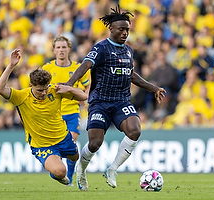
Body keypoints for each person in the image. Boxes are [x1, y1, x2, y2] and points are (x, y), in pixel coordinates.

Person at [65, 5, 166, 191]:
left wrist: (153, 88)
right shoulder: (101, 48)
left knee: (135, 130)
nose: (125, 32)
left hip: (121, 102)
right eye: (121, 29)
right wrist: (70, 84)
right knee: (95, 143)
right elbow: (85, 65)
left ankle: (112, 169)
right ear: (111, 29)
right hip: (100, 102)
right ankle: (81, 169)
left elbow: (131, 75)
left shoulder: (128, 50)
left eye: (127, 29)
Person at [0, 49, 87, 185]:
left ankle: (71, 175)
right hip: (42, 145)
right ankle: (58, 174)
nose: (44, 93)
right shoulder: (22, 96)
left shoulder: (54, 90)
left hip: (63, 137)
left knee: (75, 156)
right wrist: (11, 66)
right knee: (61, 171)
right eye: (39, 90)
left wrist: (69, 88)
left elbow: (84, 97)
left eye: (45, 89)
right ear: (31, 85)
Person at [42, 35, 90, 186]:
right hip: (53, 114)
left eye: (64, 47)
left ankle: (68, 176)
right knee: (56, 145)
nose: (61, 50)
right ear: (54, 50)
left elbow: (88, 84)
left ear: (69, 49)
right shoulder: (47, 68)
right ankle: (58, 170)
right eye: (58, 47)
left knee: (71, 143)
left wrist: (85, 97)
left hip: (72, 111)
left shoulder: (77, 67)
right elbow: (38, 88)